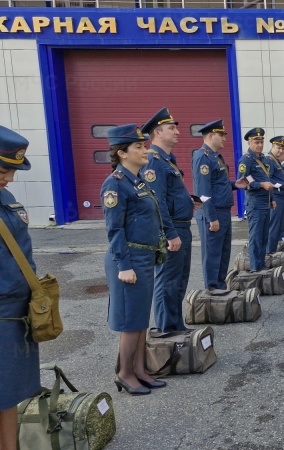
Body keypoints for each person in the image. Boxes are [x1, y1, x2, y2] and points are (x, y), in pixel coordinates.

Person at [101, 124, 167, 395]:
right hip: (127, 258)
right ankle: (125, 373)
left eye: (144, 145)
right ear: (122, 153)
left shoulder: (137, 181)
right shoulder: (115, 184)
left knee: (140, 318)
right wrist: (124, 266)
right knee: (129, 321)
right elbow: (114, 229)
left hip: (143, 256)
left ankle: (140, 370)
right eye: (138, 147)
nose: (145, 149)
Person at [0, 126, 41, 448]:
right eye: (4, 170)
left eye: (12, 170)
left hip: (17, 310)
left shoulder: (6, 198)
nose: (9, 178)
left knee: (10, 391)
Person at [141, 107, 197, 333]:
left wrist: (188, 201)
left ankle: (176, 325)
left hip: (181, 226)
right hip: (171, 230)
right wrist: (170, 234)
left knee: (179, 280)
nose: (177, 132)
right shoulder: (153, 161)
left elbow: (170, 195)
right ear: (157, 133)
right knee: (167, 282)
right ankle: (167, 330)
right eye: (171, 128)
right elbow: (157, 202)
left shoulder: (167, 160)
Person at [192, 120, 247, 289]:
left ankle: (220, 287)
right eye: (221, 135)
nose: (224, 138)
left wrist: (234, 185)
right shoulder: (202, 157)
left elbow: (217, 184)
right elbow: (203, 192)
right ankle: (213, 290)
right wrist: (211, 218)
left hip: (223, 211)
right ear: (210, 136)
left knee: (223, 253)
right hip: (213, 213)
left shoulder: (216, 157)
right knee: (212, 254)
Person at [237, 127, 275, 272]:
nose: (259, 145)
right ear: (249, 143)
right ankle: (254, 267)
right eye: (256, 142)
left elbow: (267, 179)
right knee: (255, 237)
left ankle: (261, 264)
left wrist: (271, 199)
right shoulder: (246, 160)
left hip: (265, 203)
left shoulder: (264, 159)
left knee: (264, 236)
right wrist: (261, 185)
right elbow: (243, 182)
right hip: (255, 204)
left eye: (261, 142)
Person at [265, 136, 284, 253]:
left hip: (281, 197)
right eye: (278, 147)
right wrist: (282, 185)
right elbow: (268, 179)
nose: (281, 151)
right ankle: (269, 253)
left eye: (283, 148)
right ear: (272, 146)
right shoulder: (269, 160)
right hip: (275, 197)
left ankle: (277, 252)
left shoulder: (276, 161)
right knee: (274, 227)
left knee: (281, 227)